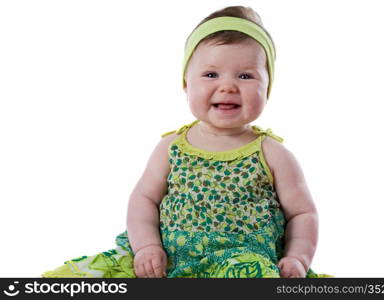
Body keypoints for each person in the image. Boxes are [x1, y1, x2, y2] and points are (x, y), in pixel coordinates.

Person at [43, 6, 330, 278]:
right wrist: (146, 246)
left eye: (245, 75)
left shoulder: (273, 154)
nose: (227, 86)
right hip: (165, 259)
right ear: (186, 84)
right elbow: (144, 200)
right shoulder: (171, 147)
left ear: (267, 87)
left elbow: (303, 213)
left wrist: (297, 258)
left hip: (238, 259)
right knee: (80, 278)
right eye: (211, 74)